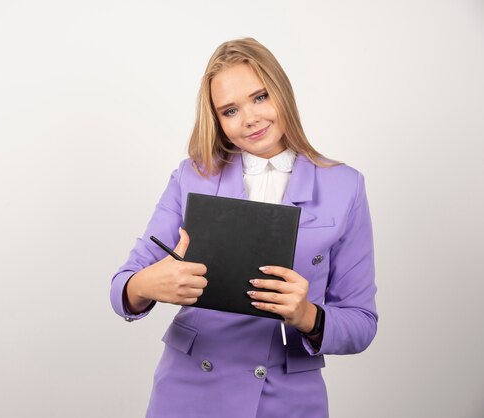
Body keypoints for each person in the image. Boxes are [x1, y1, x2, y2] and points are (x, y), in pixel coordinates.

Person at [110, 37, 378, 418]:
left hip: (287, 397)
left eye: (260, 97)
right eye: (230, 110)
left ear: (282, 92)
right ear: (216, 120)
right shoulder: (193, 176)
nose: (250, 118)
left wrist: (306, 315)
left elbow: (361, 322)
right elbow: (122, 284)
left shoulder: (344, 186)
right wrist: (147, 285)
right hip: (189, 390)